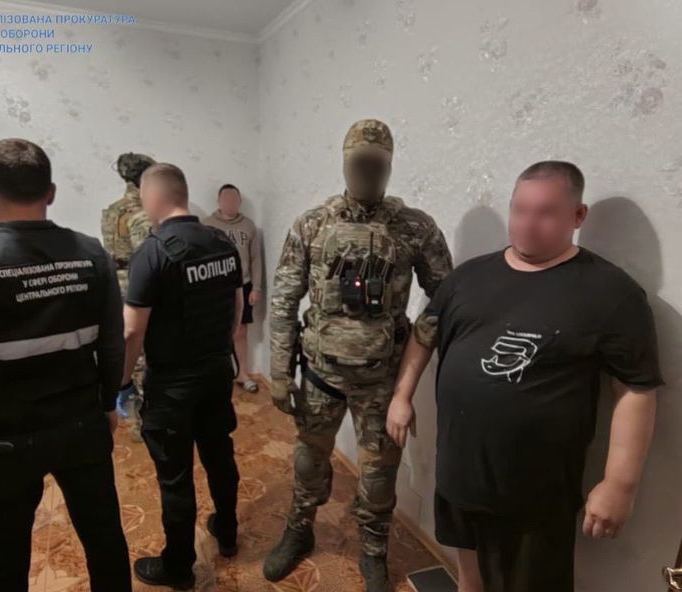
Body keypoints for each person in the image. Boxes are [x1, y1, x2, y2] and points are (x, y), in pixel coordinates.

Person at [387, 161, 663, 592]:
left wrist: (619, 484)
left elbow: (635, 390)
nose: (527, 224)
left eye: (545, 213)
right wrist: (401, 397)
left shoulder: (610, 293)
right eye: (519, 209)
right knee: (470, 576)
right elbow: (426, 333)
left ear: (578, 216)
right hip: (460, 473)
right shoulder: (469, 276)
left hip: (534, 494)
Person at [0, 138, 131, 592]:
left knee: (1, 569)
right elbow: (113, 345)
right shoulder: (92, 255)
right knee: (105, 543)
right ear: (51, 192)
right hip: (81, 426)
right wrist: (108, 402)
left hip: (1, 443)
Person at [266, 119, 453, 591]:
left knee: (379, 476)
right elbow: (284, 298)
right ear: (344, 163)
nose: (367, 172)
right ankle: (299, 530)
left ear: (390, 166)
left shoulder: (414, 227)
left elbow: (447, 297)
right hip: (320, 375)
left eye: (377, 164)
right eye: (359, 162)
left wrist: (417, 337)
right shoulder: (312, 223)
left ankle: (373, 549)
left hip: (382, 382)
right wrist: (279, 371)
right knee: (308, 461)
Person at [121, 163, 244, 590]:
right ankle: (227, 532)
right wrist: (219, 350)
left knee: (175, 477)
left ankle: (178, 567)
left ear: (154, 197)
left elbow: (132, 332)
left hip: (173, 386)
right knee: (219, 455)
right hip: (216, 373)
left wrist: (121, 382)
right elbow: (236, 307)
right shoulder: (222, 242)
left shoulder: (152, 252)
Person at [102, 152, 156, 440]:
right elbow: (148, 257)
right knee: (143, 352)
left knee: (127, 348)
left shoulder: (113, 210)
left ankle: (134, 416)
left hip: (115, 284)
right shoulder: (142, 214)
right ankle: (144, 421)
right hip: (137, 284)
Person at [204, 184, 263, 393]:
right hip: (216, 287)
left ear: (239, 202)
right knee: (214, 332)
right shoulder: (207, 225)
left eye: (234, 199)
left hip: (243, 284)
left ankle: (243, 373)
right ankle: (215, 376)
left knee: (240, 331)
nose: (230, 202)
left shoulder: (248, 226)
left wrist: (256, 287)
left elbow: (255, 259)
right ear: (219, 201)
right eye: (226, 198)